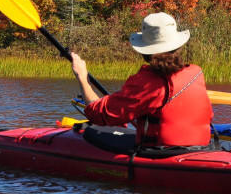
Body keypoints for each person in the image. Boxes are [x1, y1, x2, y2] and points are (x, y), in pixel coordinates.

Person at [71, 12, 214, 148]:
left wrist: (82, 78)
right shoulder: (196, 72)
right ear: (177, 46)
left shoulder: (145, 82)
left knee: (92, 132)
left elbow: (98, 114)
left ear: (144, 51)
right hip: (201, 148)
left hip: (159, 154)